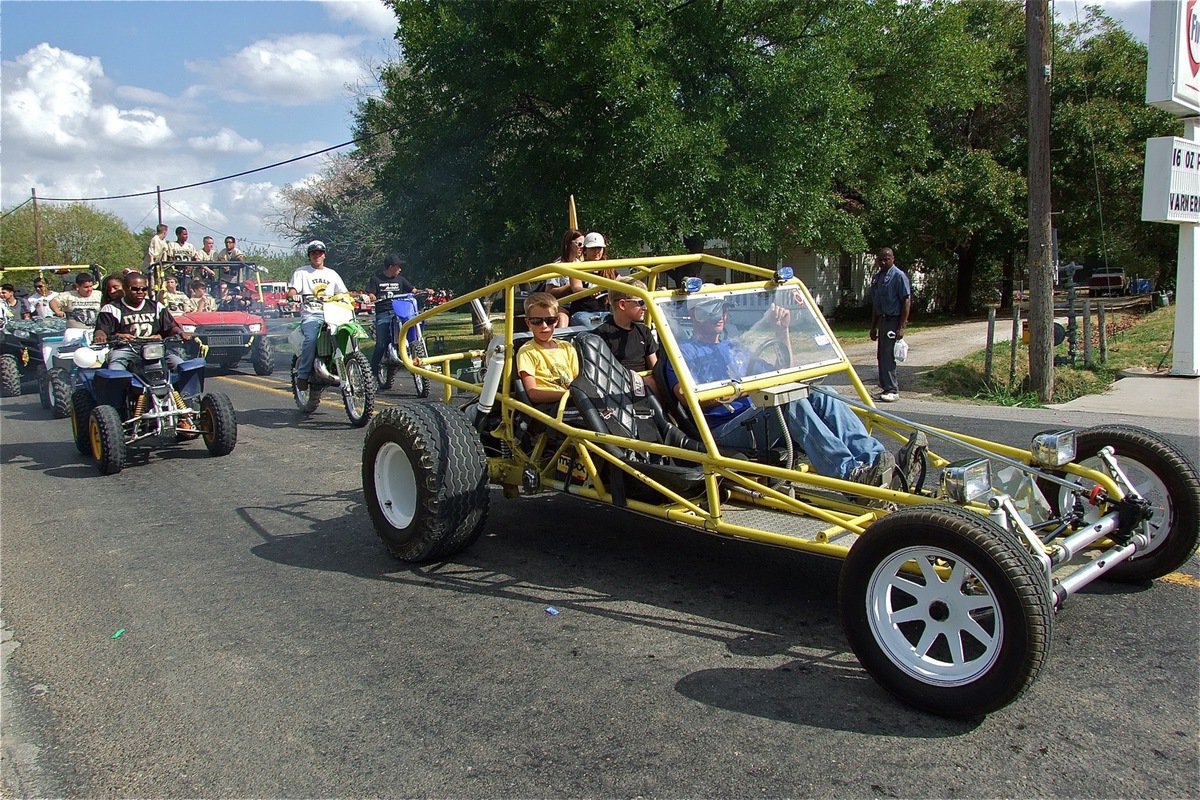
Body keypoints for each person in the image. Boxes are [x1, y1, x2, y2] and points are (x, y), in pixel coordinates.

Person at [664, 293, 925, 488]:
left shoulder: (734, 347)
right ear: (696, 315)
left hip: (757, 416)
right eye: (711, 311)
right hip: (725, 429)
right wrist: (738, 391)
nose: (720, 316)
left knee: (821, 393)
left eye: (722, 310)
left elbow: (785, 369)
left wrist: (782, 331)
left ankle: (878, 461)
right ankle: (849, 474)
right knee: (788, 403)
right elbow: (684, 396)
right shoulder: (683, 352)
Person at [93, 272, 191, 373]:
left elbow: (170, 326)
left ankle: (185, 389)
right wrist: (100, 335)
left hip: (154, 348)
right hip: (125, 349)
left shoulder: (157, 306)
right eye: (135, 289)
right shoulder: (111, 308)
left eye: (144, 289)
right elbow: (102, 329)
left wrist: (180, 332)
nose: (140, 292)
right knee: (115, 371)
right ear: (125, 289)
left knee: (182, 367)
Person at [288, 240, 349, 391]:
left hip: (334, 313)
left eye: (320, 252)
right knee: (311, 339)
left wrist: (360, 296)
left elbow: (343, 292)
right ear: (309, 255)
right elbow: (292, 291)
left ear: (324, 255)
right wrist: (294, 295)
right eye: (313, 253)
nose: (317, 255)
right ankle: (302, 375)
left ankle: (352, 365)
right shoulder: (301, 272)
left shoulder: (332, 274)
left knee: (349, 332)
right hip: (312, 314)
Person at [591, 277, 658, 394]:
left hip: (646, 387)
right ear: (622, 304)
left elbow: (655, 368)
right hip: (620, 389)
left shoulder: (644, 331)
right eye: (641, 302)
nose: (645, 308)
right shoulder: (601, 335)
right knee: (651, 382)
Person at [516, 292, 578, 404]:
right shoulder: (527, 352)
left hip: (572, 402)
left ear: (557, 321)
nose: (544, 326)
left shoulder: (567, 347)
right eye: (536, 321)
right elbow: (533, 394)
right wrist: (569, 395)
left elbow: (577, 381)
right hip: (549, 407)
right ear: (528, 323)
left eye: (550, 321)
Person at [869, 247, 911, 402]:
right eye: (880, 259)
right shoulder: (877, 278)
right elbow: (876, 304)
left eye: (886, 258)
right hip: (882, 320)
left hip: (894, 320)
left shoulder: (898, 276)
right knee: (881, 355)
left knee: (888, 355)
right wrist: (873, 326)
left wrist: (902, 326)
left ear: (893, 258)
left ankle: (892, 389)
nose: (883, 262)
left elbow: (906, 301)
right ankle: (885, 387)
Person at [366, 253, 417, 381]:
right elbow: (371, 293)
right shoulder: (376, 279)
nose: (400, 269)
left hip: (399, 313)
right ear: (390, 267)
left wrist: (425, 291)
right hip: (383, 313)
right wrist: (371, 296)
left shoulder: (400, 279)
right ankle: (373, 372)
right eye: (398, 266)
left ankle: (411, 355)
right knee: (381, 343)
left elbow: (413, 290)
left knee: (411, 332)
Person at [567, 231, 617, 326]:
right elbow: (576, 288)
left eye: (599, 248)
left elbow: (623, 282)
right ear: (585, 250)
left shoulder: (609, 269)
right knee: (595, 330)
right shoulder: (577, 268)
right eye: (593, 248)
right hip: (582, 313)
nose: (597, 251)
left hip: (604, 313)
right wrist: (590, 291)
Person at [50, 272, 103, 337]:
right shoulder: (68, 295)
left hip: (95, 330)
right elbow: (53, 302)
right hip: (74, 332)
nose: (89, 289)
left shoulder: (99, 294)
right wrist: (57, 311)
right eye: (86, 287)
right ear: (77, 286)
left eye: (91, 286)